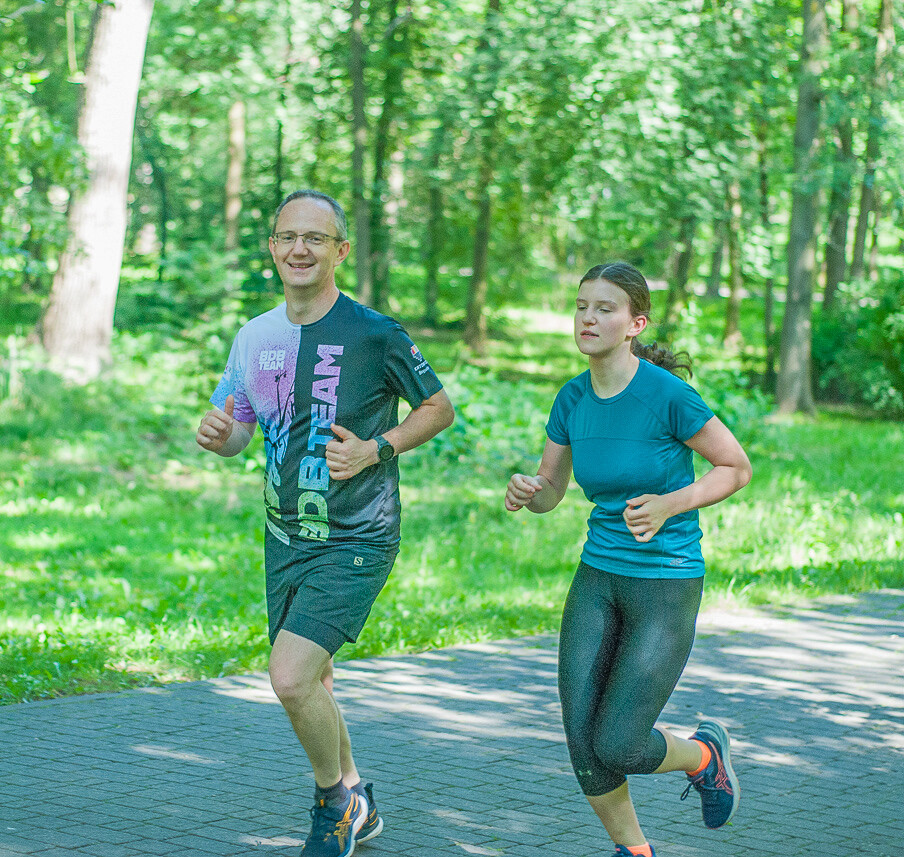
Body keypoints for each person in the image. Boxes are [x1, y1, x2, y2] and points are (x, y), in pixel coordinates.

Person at [197, 190, 454, 857]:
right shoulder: (255, 337)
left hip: (358, 534)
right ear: (273, 248)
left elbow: (438, 407)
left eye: (316, 238)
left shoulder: (376, 332)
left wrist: (378, 447)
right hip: (285, 537)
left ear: (340, 250)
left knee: (289, 676)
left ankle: (332, 801)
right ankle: (359, 795)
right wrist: (218, 433)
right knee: (316, 679)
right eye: (288, 237)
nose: (300, 249)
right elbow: (238, 433)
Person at [505, 262, 753, 857]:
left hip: (664, 583)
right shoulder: (571, 397)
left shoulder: (668, 396)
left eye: (605, 308)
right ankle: (634, 851)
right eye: (582, 305)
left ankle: (703, 754)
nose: (588, 317)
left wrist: (672, 502)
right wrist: (531, 494)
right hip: (597, 577)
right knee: (581, 742)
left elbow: (736, 468)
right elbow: (554, 489)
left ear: (634, 323)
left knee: (617, 743)